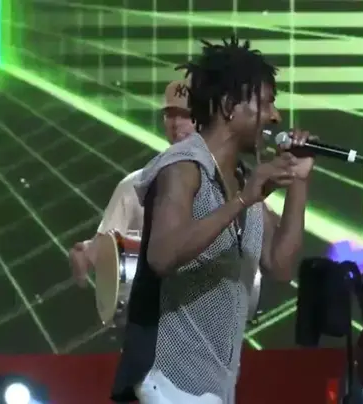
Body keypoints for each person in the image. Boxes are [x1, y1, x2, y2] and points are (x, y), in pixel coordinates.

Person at [110, 36, 313, 404]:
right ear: (229, 106)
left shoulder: (243, 179)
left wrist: (298, 180)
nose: (275, 116)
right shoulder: (184, 167)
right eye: (266, 103)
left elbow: (280, 265)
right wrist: (243, 199)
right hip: (164, 382)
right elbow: (162, 256)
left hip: (212, 388)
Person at [68, 79, 195, 284]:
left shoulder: (231, 183)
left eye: (186, 115)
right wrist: (86, 254)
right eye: (170, 115)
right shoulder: (135, 186)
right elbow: (103, 249)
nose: (176, 123)